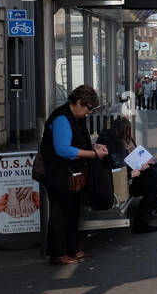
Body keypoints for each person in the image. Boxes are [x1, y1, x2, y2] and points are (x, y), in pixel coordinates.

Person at [40, 85, 108, 265]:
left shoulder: (74, 117)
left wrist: (94, 147)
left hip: (71, 174)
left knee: (72, 211)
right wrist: (93, 154)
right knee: (60, 213)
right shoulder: (62, 117)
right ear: (78, 102)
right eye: (87, 108)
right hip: (58, 174)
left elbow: (77, 143)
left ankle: (72, 249)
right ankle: (58, 253)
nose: (88, 112)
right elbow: (63, 150)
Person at [98, 118, 157, 233]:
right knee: (153, 176)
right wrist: (131, 173)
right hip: (121, 184)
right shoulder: (115, 145)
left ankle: (153, 203)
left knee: (156, 170)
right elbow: (116, 168)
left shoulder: (111, 140)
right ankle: (142, 221)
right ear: (123, 130)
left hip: (124, 178)